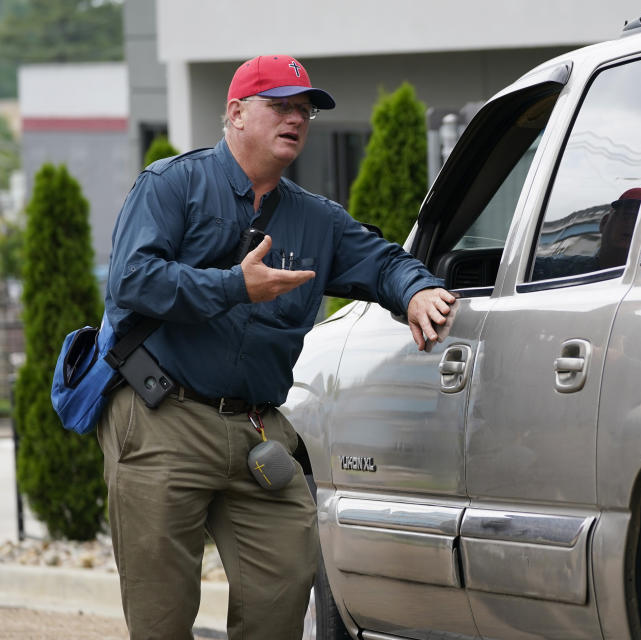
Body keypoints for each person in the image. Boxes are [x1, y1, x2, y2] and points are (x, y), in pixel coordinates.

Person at [99, 54, 456, 639]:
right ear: (236, 113)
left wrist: (417, 292)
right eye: (280, 106)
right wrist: (235, 285)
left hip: (257, 432)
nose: (296, 119)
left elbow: (384, 261)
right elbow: (133, 281)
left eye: (305, 110)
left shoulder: (317, 221)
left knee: (284, 591)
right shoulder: (172, 184)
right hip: (162, 417)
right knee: (160, 617)